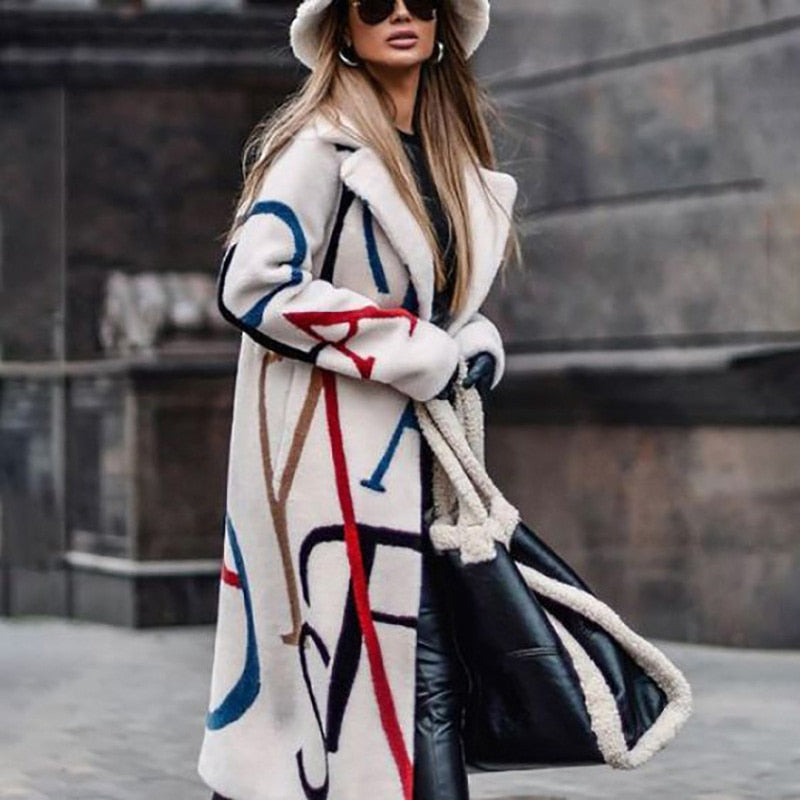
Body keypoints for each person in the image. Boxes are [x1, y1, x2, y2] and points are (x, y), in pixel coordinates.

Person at [198, 1, 520, 799]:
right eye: (376, 3)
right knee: (366, 691)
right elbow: (252, 283)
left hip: (420, 462)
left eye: (420, 1)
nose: (401, 13)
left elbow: (438, 302)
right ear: (343, 28)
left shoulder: (447, 158)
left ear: (446, 22)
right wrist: (416, 350)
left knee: (420, 686)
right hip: (330, 470)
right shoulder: (318, 148)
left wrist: (469, 343)